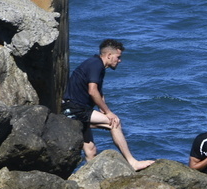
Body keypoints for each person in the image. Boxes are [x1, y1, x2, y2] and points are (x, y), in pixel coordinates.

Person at [62, 39, 154, 171]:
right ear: (109, 55)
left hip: (77, 109)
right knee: (114, 123)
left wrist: (103, 109)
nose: (120, 60)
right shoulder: (96, 64)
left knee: (91, 151)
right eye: (118, 57)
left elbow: (98, 92)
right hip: (75, 109)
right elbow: (92, 91)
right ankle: (132, 161)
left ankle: (91, 179)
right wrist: (108, 112)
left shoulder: (96, 65)